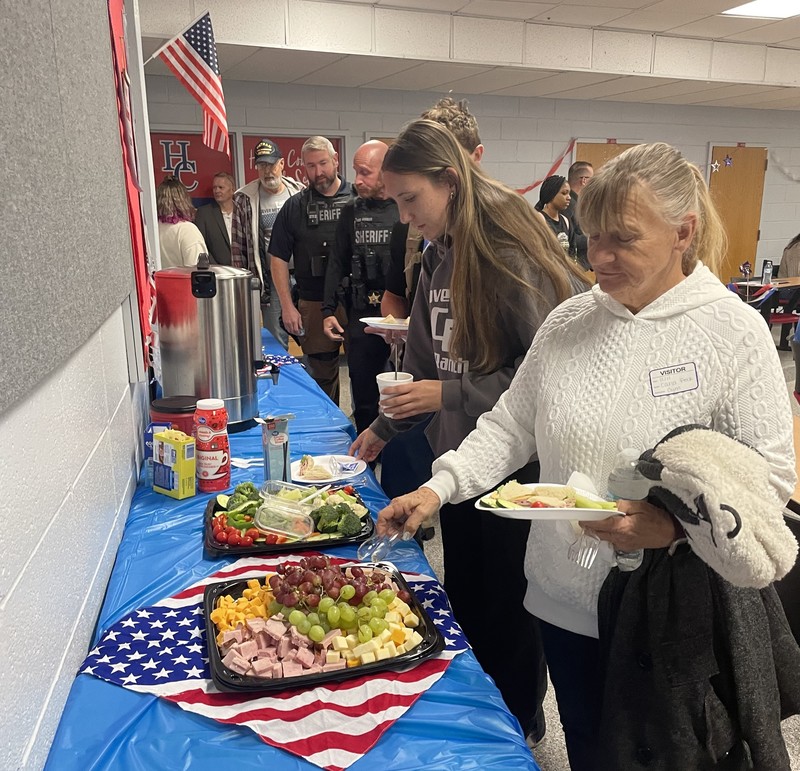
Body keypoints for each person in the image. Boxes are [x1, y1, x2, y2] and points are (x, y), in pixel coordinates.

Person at [376, 142, 800, 770]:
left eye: (624, 239)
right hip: (561, 601)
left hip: (667, 617)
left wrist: (672, 526)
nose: (599, 257)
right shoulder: (568, 322)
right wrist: (439, 487)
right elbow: (511, 425)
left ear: (683, 232)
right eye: (592, 236)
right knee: (589, 751)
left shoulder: (733, 332)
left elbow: (771, 481)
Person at [350, 119, 587, 748]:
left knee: (511, 612)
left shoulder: (508, 253)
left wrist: (449, 394)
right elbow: (425, 366)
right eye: (396, 202)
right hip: (456, 469)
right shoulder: (435, 260)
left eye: (411, 201)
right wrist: (381, 426)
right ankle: (482, 725)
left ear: (450, 182)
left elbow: (541, 374)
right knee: (469, 604)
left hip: (517, 476)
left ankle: (521, 733)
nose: (404, 218)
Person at [268, 137, 350, 401]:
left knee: (365, 372)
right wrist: (287, 306)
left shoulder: (357, 200)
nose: (318, 172)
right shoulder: (295, 206)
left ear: (335, 159)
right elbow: (278, 257)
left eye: (323, 163)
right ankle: (330, 432)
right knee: (321, 374)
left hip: (356, 301)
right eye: (311, 166)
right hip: (313, 301)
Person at [322, 140, 395, 434]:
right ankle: (367, 460)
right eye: (356, 172)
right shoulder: (350, 211)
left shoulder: (404, 208)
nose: (358, 180)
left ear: (385, 171)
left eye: (365, 172)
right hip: (361, 314)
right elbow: (336, 261)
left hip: (401, 318)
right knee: (364, 394)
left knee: (399, 394)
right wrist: (328, 310)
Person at [231, 138, 304, 349]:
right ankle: (278, 379)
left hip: (301, 276)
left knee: (308, 333)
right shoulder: (244, 199)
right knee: (276, 338)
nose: (267, 171)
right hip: (269, 280)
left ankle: (310, 378)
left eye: (271, 164)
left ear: (282, 164)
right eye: (261, 165)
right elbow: (238, 248)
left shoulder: (299, 193)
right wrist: (243, 288)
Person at [156, 175, 207, 269]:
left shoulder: (153, 230)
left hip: (158, 282)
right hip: (182, 283)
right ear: (184, 199)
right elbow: (198, 271)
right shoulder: (188, 230)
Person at [194, 171, 235, 265]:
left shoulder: (242, 212)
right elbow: (201, 245)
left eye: (221, 187)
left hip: (244, 271)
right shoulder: (204, 213)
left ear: (232, 190)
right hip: (217, 272)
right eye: (214, 188)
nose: (217, 191)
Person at [535, 175, 576, 261]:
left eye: (569, 193)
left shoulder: (566, 221)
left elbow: (572, 252)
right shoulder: (539, 219)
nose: (569, 198)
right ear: (551, 195)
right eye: (564, 193)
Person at [565, 161, 593, 270]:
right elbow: (566, 238)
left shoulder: (577, 203)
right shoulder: (568, 204)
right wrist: (594, 239)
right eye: (592, 179)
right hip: (571, 266)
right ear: (584, 180)